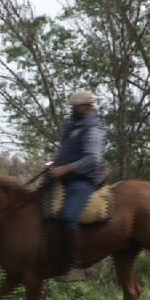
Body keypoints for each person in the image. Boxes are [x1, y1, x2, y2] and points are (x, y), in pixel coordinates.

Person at [48, 89, 108, 282]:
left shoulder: (93, 129)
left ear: (87, 107)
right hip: (63, 177)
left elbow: (93, 159)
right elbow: (66, 150)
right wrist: (54, 162)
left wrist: (65, 169)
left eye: (76, 108)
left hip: (82, 180)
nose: (72, 111)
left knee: (68, 217)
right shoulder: (73, 125)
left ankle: (74, 267)